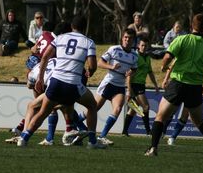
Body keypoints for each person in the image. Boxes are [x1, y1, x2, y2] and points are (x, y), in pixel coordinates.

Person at [17, 15, 106, 149]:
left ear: (71, 26)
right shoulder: (89, 42)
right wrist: (90, 72)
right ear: (85, 27)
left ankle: (24, 138)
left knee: (42, 112)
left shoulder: (60, 38)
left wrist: (40, 78)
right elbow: (92, 65)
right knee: (92, 106)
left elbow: (45, 56)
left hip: (56, 82)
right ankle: (92, 141)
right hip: (73, 84)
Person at [145, 14, 203, 157]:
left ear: (192, 26)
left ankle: (153, 148)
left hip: (178, 84)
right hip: (195, 87)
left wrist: (164, 66)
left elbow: (167, 57)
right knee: (198, 121)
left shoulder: (182, 39)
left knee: (160, 116)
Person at [77, 28, 138, 145]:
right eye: (125, 37)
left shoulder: (134, 56)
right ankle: (75, 124)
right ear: (122, 38)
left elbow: (134, 69)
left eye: (130, 38)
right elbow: (100, 62)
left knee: (118, 109)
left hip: (120, 85)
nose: (127, 40)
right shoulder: (114, 49)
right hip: (109, 83)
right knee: (93, 108)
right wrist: (112, 67)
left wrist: (130, 73)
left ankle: (102, 136)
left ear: (133, 40)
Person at [121, 38, 159, 136]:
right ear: (138, 45)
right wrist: (129, 89)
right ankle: (148, 131)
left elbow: (150, 72)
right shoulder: (135, 56)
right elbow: (129, 74)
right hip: (135, 85)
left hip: (141, 84)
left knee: (133, 109)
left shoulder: (147, 58)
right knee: (146, 106)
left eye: (145, 46)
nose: (144, 47)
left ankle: (124, 131)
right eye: (142, 45)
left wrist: (155, 85)